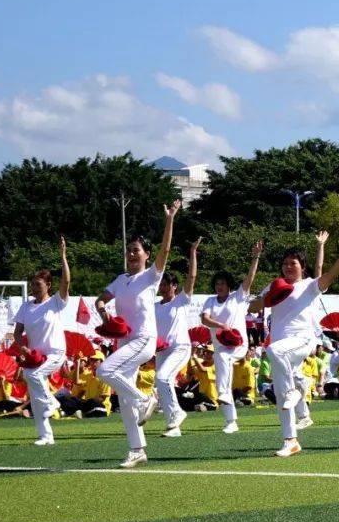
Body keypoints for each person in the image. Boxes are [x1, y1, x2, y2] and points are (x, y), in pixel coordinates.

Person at [249, 236, 339, 457]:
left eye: (293, 263)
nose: (288, 267)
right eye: (285, 263)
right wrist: (268, 298)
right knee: (282, 398)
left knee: (274, 353)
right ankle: (291, 440)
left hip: (303, 340)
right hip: (282, 343)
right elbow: (253, 306)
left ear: (302, 267)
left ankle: (297, 388)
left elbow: (331, 273)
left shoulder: (309, 285)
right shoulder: (274, 285)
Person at [95, 200, 181, 468]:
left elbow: (166, 250)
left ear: (146, 255)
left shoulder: (151, 276)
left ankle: (147, 399)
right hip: (125, 341)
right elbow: (101, 299)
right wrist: (103, 311)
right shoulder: (120, 280)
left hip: (143, 339)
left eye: (137, 250)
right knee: (124, 397)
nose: (132, 254)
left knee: (104, 372)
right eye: (129, 250)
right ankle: (137, 449)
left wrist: (169, 219)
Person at [12, 237, 70, 445]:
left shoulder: (55, 302)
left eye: (38, 285)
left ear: (48, 285)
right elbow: (17, 333)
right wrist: (23, 348)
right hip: (35, 355)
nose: (35, 288)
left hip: (55, 353)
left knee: (34, 376)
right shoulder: (26, 307)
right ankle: (46, 435)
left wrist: (63, 256)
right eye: (33, 285)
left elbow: (67, 282)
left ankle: (52, 402)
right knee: (33, 388)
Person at [201, 241, 262, 434]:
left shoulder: (238, 298)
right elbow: (205, 319)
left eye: (223, 283)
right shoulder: (210, 301)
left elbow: (250, 278)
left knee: (223, 361)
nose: (219, 286)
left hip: (238, 345)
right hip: (220, 347)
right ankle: (230, 420)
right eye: (217, 283)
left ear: (229, 285)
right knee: (221, 362)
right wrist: (221, 325)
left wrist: (256, 257)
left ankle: (224, 395)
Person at [154, 238, 200, 437]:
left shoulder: (181, 301)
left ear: (174, 286)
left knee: (163, 378)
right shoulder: (154, 306)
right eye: (161, 284)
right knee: (161, 382)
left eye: (166, 284)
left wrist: (192, 253)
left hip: (180, 347)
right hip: (162, 350)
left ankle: (178, 413)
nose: (162, 287)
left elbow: (192, 276)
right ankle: (174, 426)